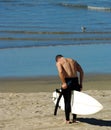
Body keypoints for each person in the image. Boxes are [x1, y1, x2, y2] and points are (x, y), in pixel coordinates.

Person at [55, 54, 84, 124]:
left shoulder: (59, 62)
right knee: (75, 100)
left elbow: (61, 72)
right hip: (75, 81)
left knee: (67, 101)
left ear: (57, 59)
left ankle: (67, 120)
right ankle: (74, 119)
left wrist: (64, 83)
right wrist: (80, 83)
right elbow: (81, 71)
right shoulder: (73, 60)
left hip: (68, 81)